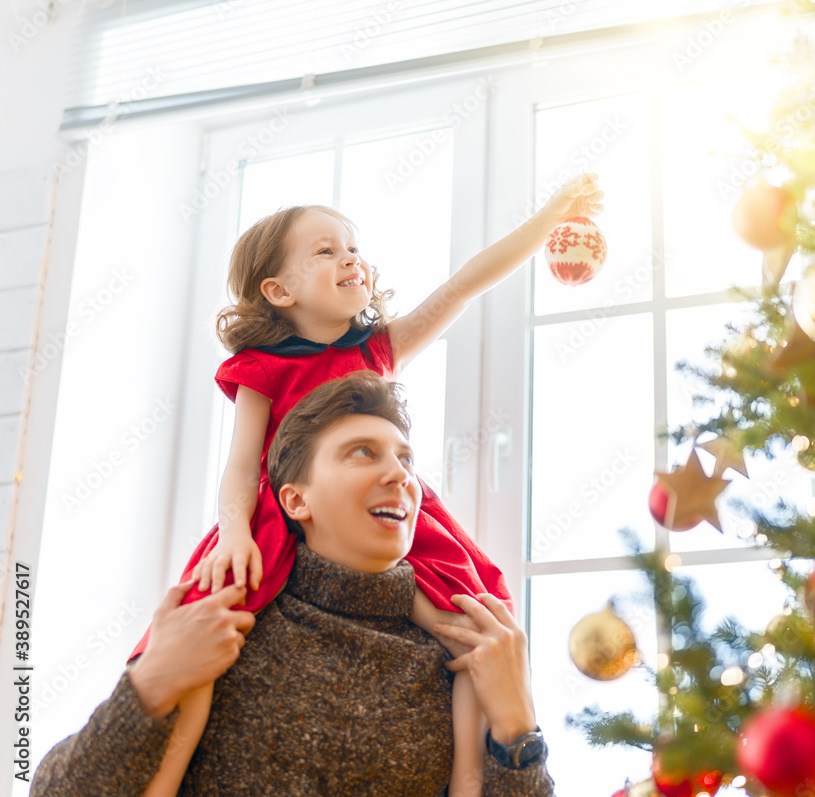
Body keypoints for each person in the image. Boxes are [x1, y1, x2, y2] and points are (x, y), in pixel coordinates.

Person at [121, 173, 601, 796]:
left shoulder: (378, 349)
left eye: (352, 246)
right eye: (325, 250)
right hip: (276, 512)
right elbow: (242, 468)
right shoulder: (262, 370)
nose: (350, 257)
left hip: (379, 510)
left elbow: (463, 286)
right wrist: (235, 535)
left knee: (473, 623)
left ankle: (465, 779)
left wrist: (549, 220)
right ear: (279, 289)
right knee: (211, 619)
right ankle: (167, 774)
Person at [31, 373, 556, 796]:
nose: (400, 475)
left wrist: (518, 731)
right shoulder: (225, 630)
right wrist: (148, 687)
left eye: (406, 458)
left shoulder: (462, 652)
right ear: (294, 500)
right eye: (362, 452)